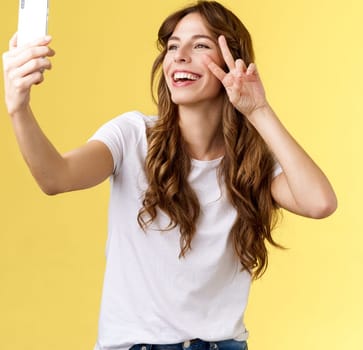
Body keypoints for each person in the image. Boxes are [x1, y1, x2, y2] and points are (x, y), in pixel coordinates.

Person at [2, 1, 337, 349]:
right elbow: (55, 177)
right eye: (173, 46)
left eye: (201, 45)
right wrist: (18, 107)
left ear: (233, 61)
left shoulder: (251, 162)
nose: (179, 56)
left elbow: (320, 203)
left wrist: (258, 110)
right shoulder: (131, 136)